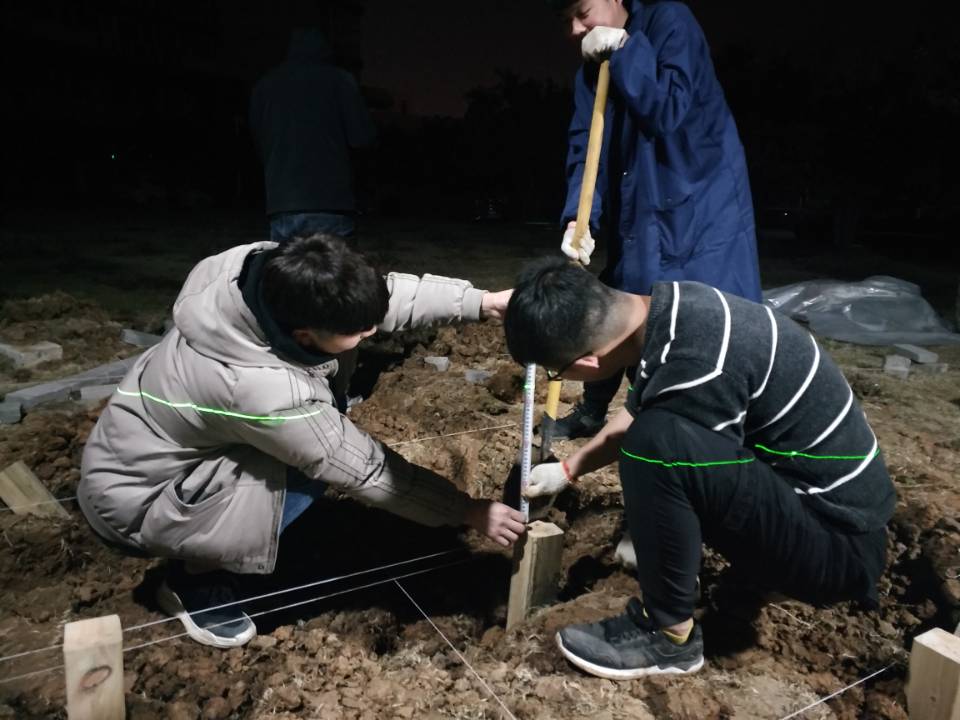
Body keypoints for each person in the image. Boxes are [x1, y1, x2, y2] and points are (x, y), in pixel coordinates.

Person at [78, 234, 525, 648]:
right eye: (359, 332)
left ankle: (229, 534)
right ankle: (194, 581)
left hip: (147, 451)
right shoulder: (261, 391)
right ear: (305, 337)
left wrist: (482, 302)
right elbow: (362, 468)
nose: (372, 334)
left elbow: (381, 296)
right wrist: (466, 510)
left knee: (308, 443)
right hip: (137, 499)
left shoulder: (257, 275)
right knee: (310, 470)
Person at [503, 258, 894, 678]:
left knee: (655, 444)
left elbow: (662, 445)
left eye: (556, 371)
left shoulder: (699, 362)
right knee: (656, 434)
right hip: (828, 511)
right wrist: (568, 469)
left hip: (839, 550)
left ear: (587, 366)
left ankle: (669, 638)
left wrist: (652, 531)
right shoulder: (673, 312)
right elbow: (639, 411)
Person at [548, 0, 762, 440]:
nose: (575, 29)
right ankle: (594, 411)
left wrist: (627, 50)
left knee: (690, 319)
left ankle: (686, 420)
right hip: (639, 203)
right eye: (566, 21)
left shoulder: (670, 22)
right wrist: (578, 218)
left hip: (700, 201)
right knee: (620, 297)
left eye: (582, 12)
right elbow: (585, 147)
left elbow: (667, 110)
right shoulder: (590, 68)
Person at [249, 28, 376, 242]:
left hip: (281, 203)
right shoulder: (340, 80)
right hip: (331, 200)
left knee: (288, 261)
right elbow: (362, 137)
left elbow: (259, 142)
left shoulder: (265, 84)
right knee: (331, 262)